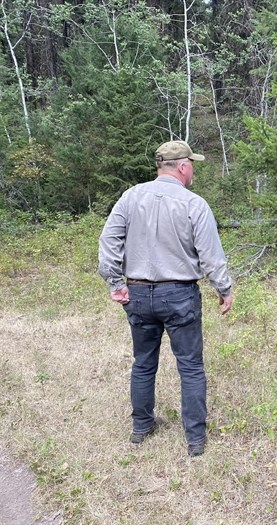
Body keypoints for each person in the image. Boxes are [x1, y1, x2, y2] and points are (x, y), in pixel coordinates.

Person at [98, 140, 233, 457]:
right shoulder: (194, 204)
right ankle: (195, 440)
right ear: (183, 166)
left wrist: (115, 282)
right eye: (193, 165)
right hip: (180, 295)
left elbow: (109, 241)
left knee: (143, 363)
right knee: (190, 367)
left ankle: (141, 427)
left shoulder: (130, 197)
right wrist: (223, 289)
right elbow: (211, 257)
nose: (193, 170)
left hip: (138, 293)